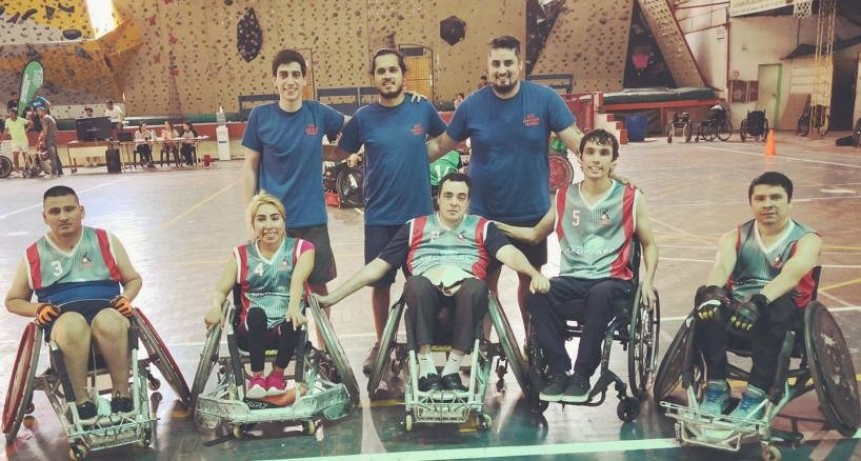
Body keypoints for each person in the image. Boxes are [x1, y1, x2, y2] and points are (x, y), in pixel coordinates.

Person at [316, 173, 550, 392]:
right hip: (426, 300)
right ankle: (426, 367)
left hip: (465, 301)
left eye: (461, 197)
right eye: (448, 195)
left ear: (468, 202)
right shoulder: (414, 227)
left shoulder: (482, 227)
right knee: (416, 285)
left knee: (477, 287)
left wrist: (534, 273)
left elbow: (509, 254)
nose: (454, 202)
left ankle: (452, 369)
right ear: (438, 198)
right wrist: (333, 297)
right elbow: (377, 266)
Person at [426, 35, 584, 325]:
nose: (502, 70)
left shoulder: (545, 99)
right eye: (496, 64)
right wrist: (400, 160)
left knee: (531, 287)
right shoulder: (471, 106)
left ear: (520, 64)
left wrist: (610, 170)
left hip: (532, 217)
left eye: (508, 63)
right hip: (485, 217)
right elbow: (440, 145)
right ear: (488, 66)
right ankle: (487, 346)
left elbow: (577, 142)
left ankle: (531, 344)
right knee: (484, 289)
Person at [522, 129, 658, 403]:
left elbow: (649, 244)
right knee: (536, 296)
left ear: (614, 161)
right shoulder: (564, 196)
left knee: (600, 294)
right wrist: (492, 227)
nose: (596, 159)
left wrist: (649, 281)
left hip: (613, 280)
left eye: (604, 153)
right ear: (580, 158)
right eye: (591, 152)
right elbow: (535, 234)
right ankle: (559, 370)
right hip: (573, 278)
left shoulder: (631, 197)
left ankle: (582, 375)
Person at [335, 48, 447, 373]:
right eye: (381, 71)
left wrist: (420, 157)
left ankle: (422, 345)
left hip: (419, 220)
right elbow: (339, 152)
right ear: (374, 77)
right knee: (380, 285)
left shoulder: (422, 108)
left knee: (424, 287)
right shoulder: (363, 117)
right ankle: (382, 344)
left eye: (392, 70)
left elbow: (446, 140)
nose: (387, 76)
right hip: (379, 218)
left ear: (402, 74)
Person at [4, 185, 143, 424]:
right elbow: (13, 301)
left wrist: (126, 298)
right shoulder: (34, 254)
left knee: (110, 320)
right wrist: (38, 309)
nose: (63, 216)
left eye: (69, 209)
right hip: (63, 321)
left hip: (107, 311)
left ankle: (122, 393)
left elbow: (133, 279)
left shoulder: (105, 240)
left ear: (81, 211)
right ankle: (81, 401)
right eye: (55, 211)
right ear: (45, 217)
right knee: (72, 324)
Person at [693, 171, 820, 423]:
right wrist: (713, 292)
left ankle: (756, 393)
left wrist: (759, 302)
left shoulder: (807, 239)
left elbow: (791, 275)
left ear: (789, 201)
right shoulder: (734, 236)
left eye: (776, 197)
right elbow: (721, 267)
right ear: (751, 203)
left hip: (783, 314)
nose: (767, 204)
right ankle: (716, 387)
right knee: (707, 299)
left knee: (778, 306)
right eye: (760, 198)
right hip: (739, 313)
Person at [242, 48, 346, 297]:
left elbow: (359, 124)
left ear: (304, 79)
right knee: (275, 289)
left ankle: (321, 326)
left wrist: (398, 103)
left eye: (296, 75)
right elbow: (249, 168)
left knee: (319, 290)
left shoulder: (318, 112)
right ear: (274, 80)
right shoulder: (260, 116)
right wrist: (251, 220)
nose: (290, 81)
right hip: (273, 221)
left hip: (312, 220)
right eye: (284, 75)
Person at [204, 193, 312, 399]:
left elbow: (298, 280)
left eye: (275, 218)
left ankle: (277, 374)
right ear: (253, 224)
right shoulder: (241, 254)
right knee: (256, 314)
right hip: (251, 328)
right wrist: (216, 306)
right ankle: (257, 376)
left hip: (288, 324)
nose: (269, 225)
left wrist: (292, 306)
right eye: (261, 219)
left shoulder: (302, 248)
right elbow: (220, 290)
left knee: (293, 319)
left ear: (283, 220)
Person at [3, 108, 31, 176]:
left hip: (23, 140)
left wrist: (26, 130)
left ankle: (27, 170)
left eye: (12, 114)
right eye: (10, 114)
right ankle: (17, 171)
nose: (10, 115)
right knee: (15, 156)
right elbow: (6, 130)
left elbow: (31, 123)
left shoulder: (21, 120)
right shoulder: (7, 121)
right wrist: (2, 139)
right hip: (15, 141)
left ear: (15, 114)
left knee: (25, 156)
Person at [36, 105, 62, 176]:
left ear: (42, 111)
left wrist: (43, 141)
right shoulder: (50, 117)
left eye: (38, 112)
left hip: (49, 139)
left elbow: (45, 130)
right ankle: (60, 171)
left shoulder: (45, 118)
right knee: (55, 155)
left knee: (52, 156)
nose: (38, 113)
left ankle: (53, 173)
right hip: (53, 138)